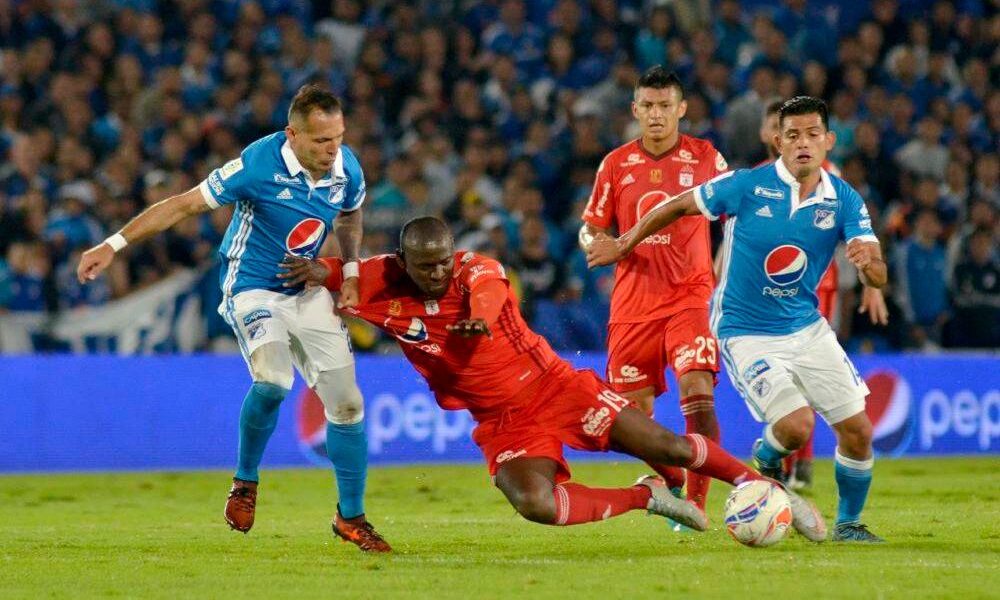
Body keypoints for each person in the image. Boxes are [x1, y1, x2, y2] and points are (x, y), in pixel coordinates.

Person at [279, 217, 826, 539]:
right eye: (427, 267)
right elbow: (328, 272)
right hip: (502, 422)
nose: (439, 272)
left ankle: (771, 490)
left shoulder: (476, 271)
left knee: (670, 445)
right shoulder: (377, 279)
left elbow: (491, 293)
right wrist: (313, 275)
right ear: (404, 260)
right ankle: (648, 499)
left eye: (445, 262)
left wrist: (482, 319)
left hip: (554, 385)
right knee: (537, 505)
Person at [76, 85, 389, 552]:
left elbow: (349, 215)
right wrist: (112, 245)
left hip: (304, 290)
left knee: (348, 405)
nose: (333, 150)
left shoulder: (347, 167)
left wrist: (347, 270)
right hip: (252, 288)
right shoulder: (257, 165)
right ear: (293, 134)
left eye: (339, 138)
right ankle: (245, 482)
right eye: (322, 141)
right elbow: (182, 204)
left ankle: (352, 518)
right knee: (274, 381)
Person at [589, 96, 889, 543]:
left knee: (859, 432)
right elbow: (674, 205)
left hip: (807, 327)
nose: (802, 143)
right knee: (796, 425)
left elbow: (879, 274)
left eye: (812, 135)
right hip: (745, 332)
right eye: (792, 135)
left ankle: (849, 525)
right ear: (776, 141)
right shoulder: (746, 185)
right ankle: (767, 456)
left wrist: (869, 265)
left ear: (828, 141)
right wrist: (625, 242)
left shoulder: (844, 199)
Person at [579, 66, 728, 514]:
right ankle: (674, 479)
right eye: (648, 105)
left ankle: (696, 507)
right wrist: (594, 245)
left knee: (697, 390)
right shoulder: (615, 163)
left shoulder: (706, 158)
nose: (657, 114)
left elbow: (737, 216)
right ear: (635, 110)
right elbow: (591, 227)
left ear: (682, 109)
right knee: (629, 422)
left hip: (689, 296)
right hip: (632, 306)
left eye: (665, 105)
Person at [756, 99, 889, 490]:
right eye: (777, 129)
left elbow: (857, 233)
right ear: (772, 136)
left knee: (803, 376)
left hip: (816, 288)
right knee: (780, 381)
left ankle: (802, 462)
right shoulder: (755, 180)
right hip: (763, 298)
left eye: (809, 134)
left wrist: (871, 284)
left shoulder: (827, 175)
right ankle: (788, 455)